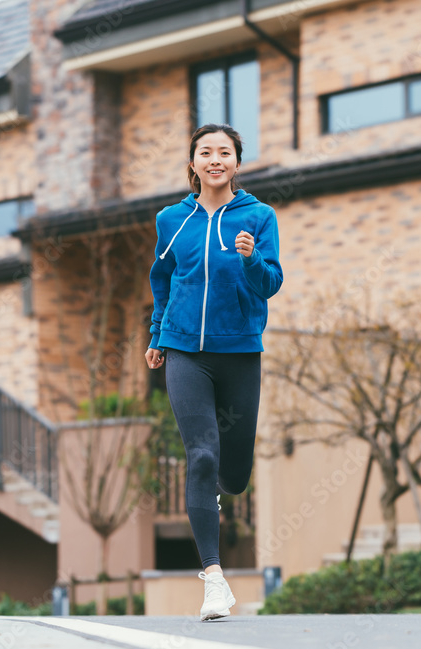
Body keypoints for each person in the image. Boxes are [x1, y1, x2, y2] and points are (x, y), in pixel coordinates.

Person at [144, 123, 283, 621]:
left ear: (237, 163)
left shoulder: (259, 217)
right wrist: (158, 334)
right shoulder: (170, 220)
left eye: (225, 152)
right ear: (193, 162)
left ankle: (229, 481)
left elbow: (270, 283)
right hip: (184, 352)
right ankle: (214, 579)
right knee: (200, 456)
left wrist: (249, 259)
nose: (215, 159)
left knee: (234, 472)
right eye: (206, 152)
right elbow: (162, 279)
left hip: (240, 351)